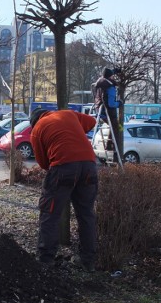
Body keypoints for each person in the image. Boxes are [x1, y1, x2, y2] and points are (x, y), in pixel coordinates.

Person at [30, 108, 99, 271]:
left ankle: (46, 260)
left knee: (50, 213)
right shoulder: (68, 114)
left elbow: (43, 163)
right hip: (89, 166)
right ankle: (88, 261)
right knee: (86, 214)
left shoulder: (37, 130)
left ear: (34, 122)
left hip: (63, 168)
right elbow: (92, 122)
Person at [93, 68, 120, 149]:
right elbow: (111, 104)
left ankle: (109, 144)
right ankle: (111, 146)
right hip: (107, 112)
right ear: (110, 76)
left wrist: (115, 70)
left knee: (114, 125)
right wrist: (119, 104)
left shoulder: (101, 82)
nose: (114, 77)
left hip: (99, 110)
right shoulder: (110, 86)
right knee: (117, 126)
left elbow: (107, 73)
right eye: (113, 76)